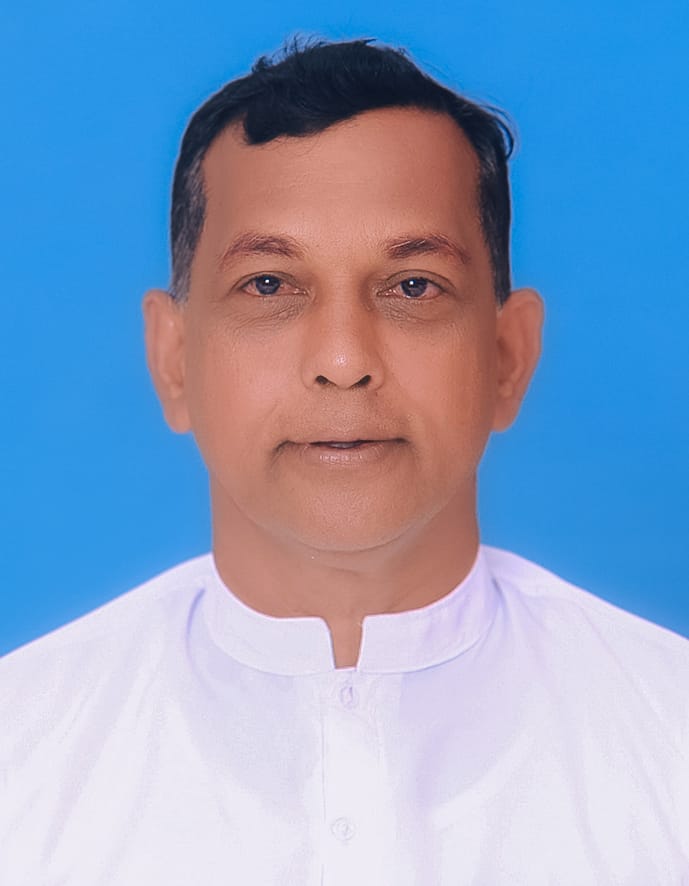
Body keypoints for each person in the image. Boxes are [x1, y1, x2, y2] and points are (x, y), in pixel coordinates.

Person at [1, 38, 687, 886]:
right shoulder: (19, 758)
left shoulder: (671, 743)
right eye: (268, 285)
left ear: (508, 356)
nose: (341, 360)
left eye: (413, 287)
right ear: (173, 359)